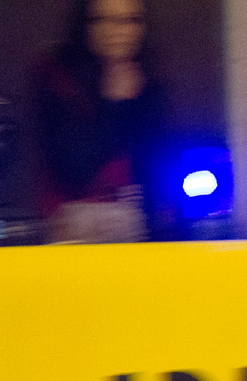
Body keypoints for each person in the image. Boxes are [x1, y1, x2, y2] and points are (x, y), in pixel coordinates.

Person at [33, 0, 168, 241]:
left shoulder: (149, 80)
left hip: (137, 227)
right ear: (86, 24)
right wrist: (113, 104)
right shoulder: (57, 75)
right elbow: (72, 170)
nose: (117, 30)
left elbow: (158, 168)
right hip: (73, 223)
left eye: (130, 20)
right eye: (102, 20)